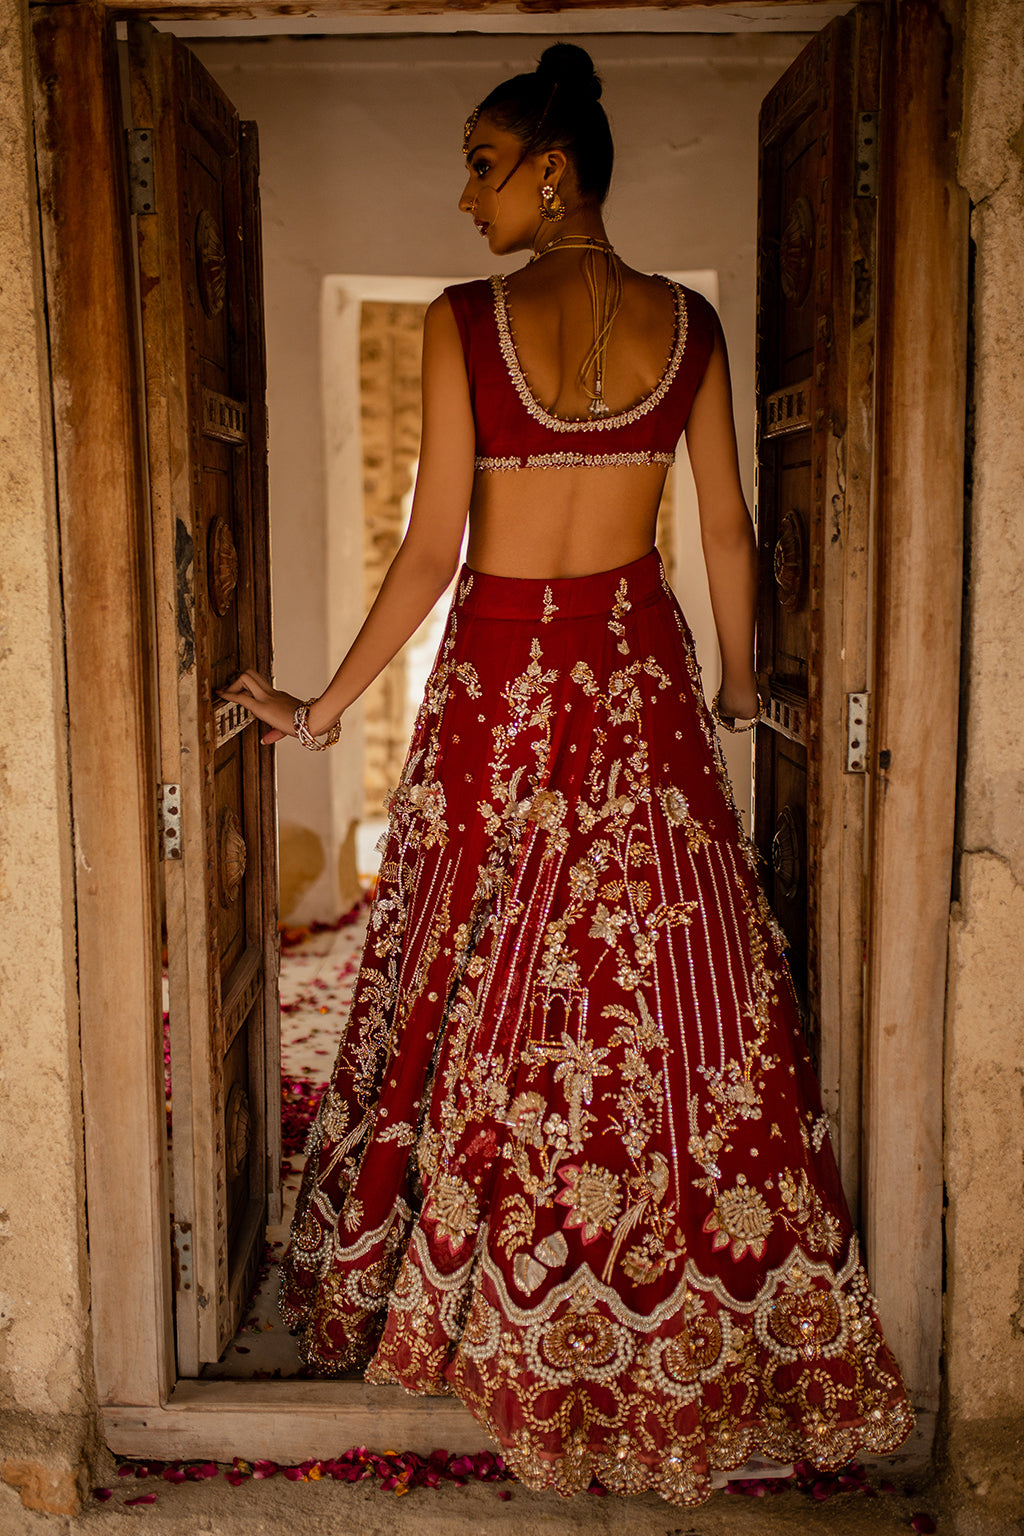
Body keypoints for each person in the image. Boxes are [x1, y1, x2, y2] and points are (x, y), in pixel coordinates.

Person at [221, 42, 913, 1509]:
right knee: (663, 984)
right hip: (636, 675)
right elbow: (724, 532)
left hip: (500, 687)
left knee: (477, 962)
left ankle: (480, 1289)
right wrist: (737, 684)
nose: (466, 196)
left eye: (483, 164)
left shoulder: (467, 321)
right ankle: (687, 1294)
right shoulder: (689, 329)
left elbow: (429, 554)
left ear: (553, 169)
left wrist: (321, 710)